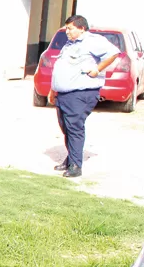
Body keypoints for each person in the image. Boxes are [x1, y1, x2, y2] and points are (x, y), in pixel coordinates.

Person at [48, 15, 120, 178]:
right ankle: (71, 159)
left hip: (80, 93)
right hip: (64, 94)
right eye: (66, 28)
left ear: (81, 28)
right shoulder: (69, 44)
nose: (67, 31)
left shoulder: (92, 41)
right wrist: (53, 90)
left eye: (70, 28)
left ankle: (75, 166)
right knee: (66, 127)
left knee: (74, 127)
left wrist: (97, 69)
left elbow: (113, 53)